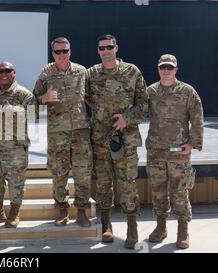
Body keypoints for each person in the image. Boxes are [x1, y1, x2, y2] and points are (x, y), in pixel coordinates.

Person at [85, 34, 148, 249]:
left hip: (126, 139)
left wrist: (126, 119)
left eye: (109, 47)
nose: (105, 51)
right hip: (101, 139)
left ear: (116, 48)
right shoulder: (91, 74)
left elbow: (144, 105)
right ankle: (106, 225)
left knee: (127, 182)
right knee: (103, 183)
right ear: (98, 50)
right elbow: (75, 93)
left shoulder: (132, 72)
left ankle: (132, 227)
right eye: (101, 48)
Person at [34, 37, 93, 227]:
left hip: (80, 132)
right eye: (58, 52)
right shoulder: (46, 75)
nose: (62, 55)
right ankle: (61, 209)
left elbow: (93, 98)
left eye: (65, 51)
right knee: (59, 172)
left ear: (70, 51)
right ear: (53, 54)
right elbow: (32, 103)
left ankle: (82, 211)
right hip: (57, 133)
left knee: (82, 172)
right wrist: (44, 98)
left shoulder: (82, 72)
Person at [146, 54, 203, 249]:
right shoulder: (151, 92)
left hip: (177, 149)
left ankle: (182, 230)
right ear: (158, 69)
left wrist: (192, 144)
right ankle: (161, 227)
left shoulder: (187, 91)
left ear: (176, 70)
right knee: (158, 191)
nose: (166, 71)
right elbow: (138, 111)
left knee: (179, 191)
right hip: (156, 150)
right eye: (163, 67)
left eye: (170, 67)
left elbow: (197, 117)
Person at [0, 62, 35, 228]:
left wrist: (15, 110)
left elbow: (33, 116)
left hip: (15, 148)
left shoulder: (24, 94)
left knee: (16, 182)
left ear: (14, 72)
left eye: (7, 71)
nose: (4, 74)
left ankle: (14, 213)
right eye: (0, 71)